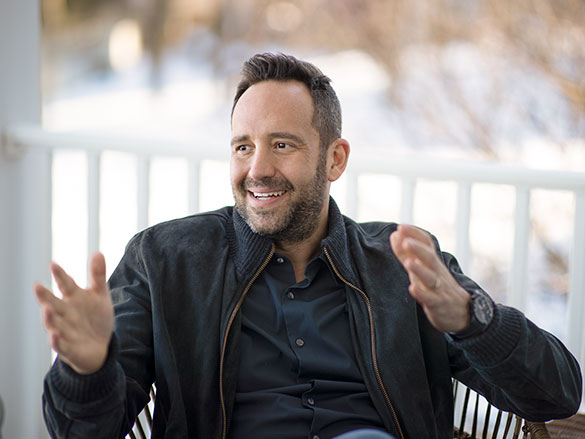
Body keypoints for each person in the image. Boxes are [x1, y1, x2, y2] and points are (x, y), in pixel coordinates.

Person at [35, 53, 582, 439]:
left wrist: (473, 319)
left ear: (335, 159)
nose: (257, 169)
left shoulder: (402, 264)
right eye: (243, 146)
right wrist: (86, 370)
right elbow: (84, 432)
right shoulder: (165, 261)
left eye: (282, 144)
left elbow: (556, 396)